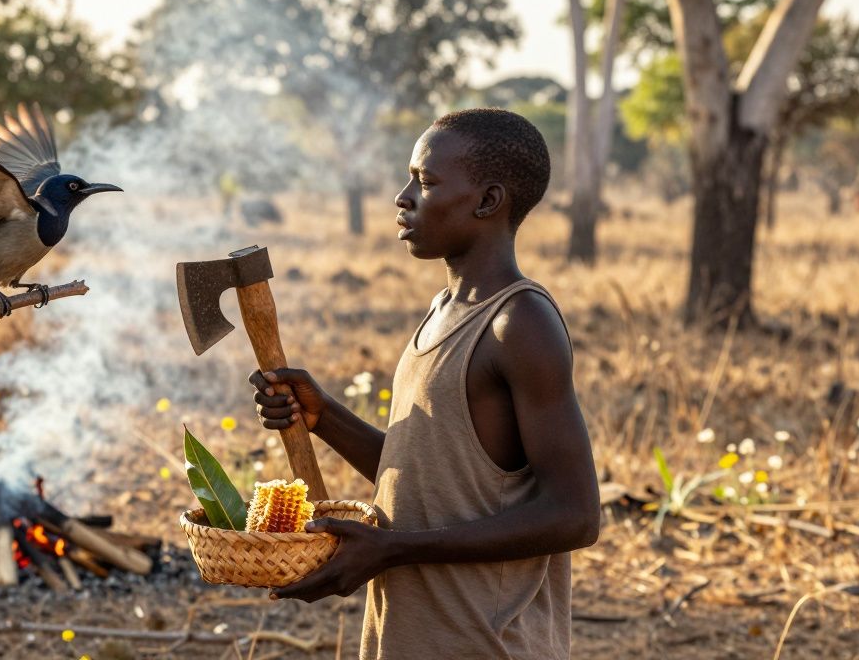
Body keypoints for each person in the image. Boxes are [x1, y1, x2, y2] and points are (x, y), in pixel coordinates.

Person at [248, 108, 600, 659]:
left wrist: (392, 550)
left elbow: (574, 515)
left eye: (427, 182)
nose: (403, 196)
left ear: (487, 202)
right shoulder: (444, 311)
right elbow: (432, 482)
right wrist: (325, 419)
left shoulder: (519, 323)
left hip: (485, 643)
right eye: (411, 177)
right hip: (414, 637)